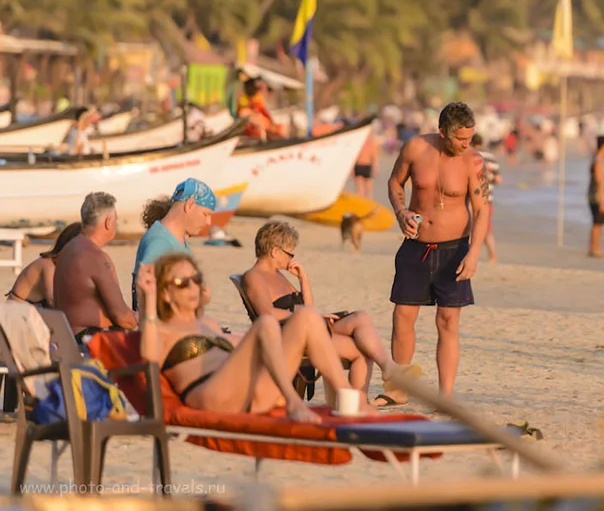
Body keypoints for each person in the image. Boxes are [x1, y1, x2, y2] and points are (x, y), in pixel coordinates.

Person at [137, 253, 380, 424]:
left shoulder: (207, 324)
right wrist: (147, 300)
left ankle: (348, 396)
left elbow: (243, 349)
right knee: (265, 322)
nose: (191, 288)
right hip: (212, 397)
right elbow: (148, 355)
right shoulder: (161, 329)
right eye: (181, 283)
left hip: (249, 394)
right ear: (166, 294)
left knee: (306, 317)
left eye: (196, 280)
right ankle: (293, 401)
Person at [241, 221, 417, 408]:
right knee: (361, 349)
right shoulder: (255, 276)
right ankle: (360, 400)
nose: (291, 258)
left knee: (361, 318)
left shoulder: (278, 275)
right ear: (275, 251)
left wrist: (303, 279)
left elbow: (308, 306)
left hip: (306, 328)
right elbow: (266, 314)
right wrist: (310, 318)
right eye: (290, 253)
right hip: (291, 336)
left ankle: (377, 378)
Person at [386, 102, 488, 395]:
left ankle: (446, 396)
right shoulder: (415, 148)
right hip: (416, 247)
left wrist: (473, 254)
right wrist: (401, 211)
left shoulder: (473, 161)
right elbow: (395, 181)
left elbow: (482, 211)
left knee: (447, 321)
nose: (465, 144)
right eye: (460, 138)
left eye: (469, 137)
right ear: (442, 131)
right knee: (403, 316)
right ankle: (397, 390)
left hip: (454, 250)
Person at [53, 192, 137, 340]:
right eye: (116, 221)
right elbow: (123, 318)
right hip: (89, 340)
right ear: (108, 222)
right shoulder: (95, 257)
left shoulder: (67, 250)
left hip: (68, 337)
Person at [130, 178, 215, 311]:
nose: (208, 221)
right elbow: (143, 290)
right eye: (206, 214)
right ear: (190, 205)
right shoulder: (160, 242)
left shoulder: (175, 239)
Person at [6, 223, 81, 309]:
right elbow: (53, 301)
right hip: (15, 316)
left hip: (28, 316)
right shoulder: (47, 265)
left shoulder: (62, 266)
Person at [471, 133, 501, 263]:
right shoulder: (492, 158)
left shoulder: (470, 157)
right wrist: (489, 179)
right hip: (487, 197)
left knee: (468, 228)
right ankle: (492, 256)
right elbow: (498, 179)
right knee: (486, 229)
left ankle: (470, 254)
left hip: (471, 198)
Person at [587, 136, 604, 258]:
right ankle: (594, 248)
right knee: (597, 223)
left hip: (597, 195)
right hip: (597, 196)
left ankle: (596, 247)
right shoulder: (598, 160)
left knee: (598, 223)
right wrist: (602, 200)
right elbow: (599, 181)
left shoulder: (600, 159)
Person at [353, 126, 380, 197]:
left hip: (361, 165)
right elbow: (374, 156)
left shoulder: (361, 141)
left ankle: (364, 203)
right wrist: (375, 168)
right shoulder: (371, 141)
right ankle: (365, 203)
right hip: (363, 165)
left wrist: (375, 168)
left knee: (364, 188)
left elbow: (374, 156)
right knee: (365, 189)